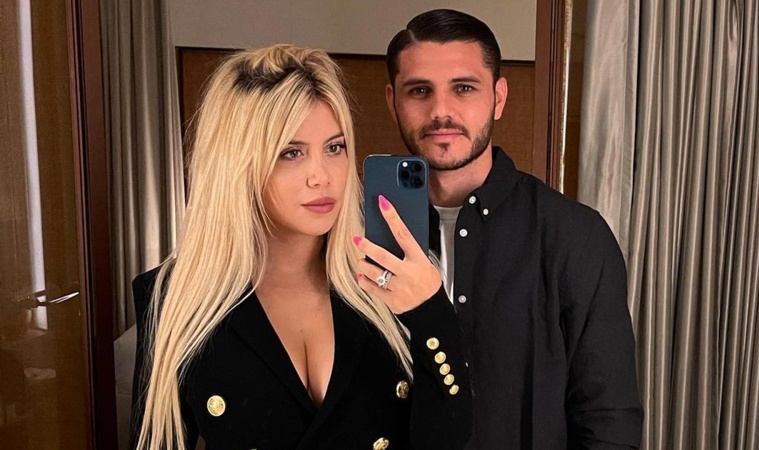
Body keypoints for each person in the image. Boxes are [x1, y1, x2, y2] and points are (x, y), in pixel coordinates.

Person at [129, 44, 471, 450]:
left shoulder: (390, 279)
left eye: (334, 147)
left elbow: (446, 440)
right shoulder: (175, 296)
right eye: (291, 153)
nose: (321, 176)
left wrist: (431, 310)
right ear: (237, 165)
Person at [380, 9, 644, 449]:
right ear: (393, 102)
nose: (440, 111)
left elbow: (609, 422)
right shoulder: (359, 235)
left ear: (498, 98)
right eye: (419, 90)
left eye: (464, 88)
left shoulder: (574, 236)